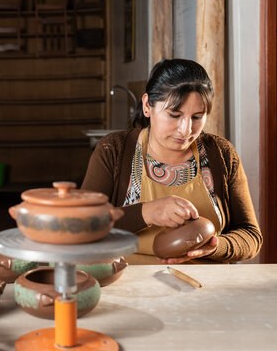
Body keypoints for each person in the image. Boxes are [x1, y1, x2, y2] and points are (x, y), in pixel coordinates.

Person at [82, 59, 262, 264]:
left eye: (197, 117)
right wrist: (146, 212)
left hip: (208, 287)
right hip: (133, 286)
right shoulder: (114, 150)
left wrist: (214, 246)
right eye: (174, 115)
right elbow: (80, 227)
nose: (185, 130)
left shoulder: (221, 153)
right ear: (147, 106)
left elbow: (251, 237)